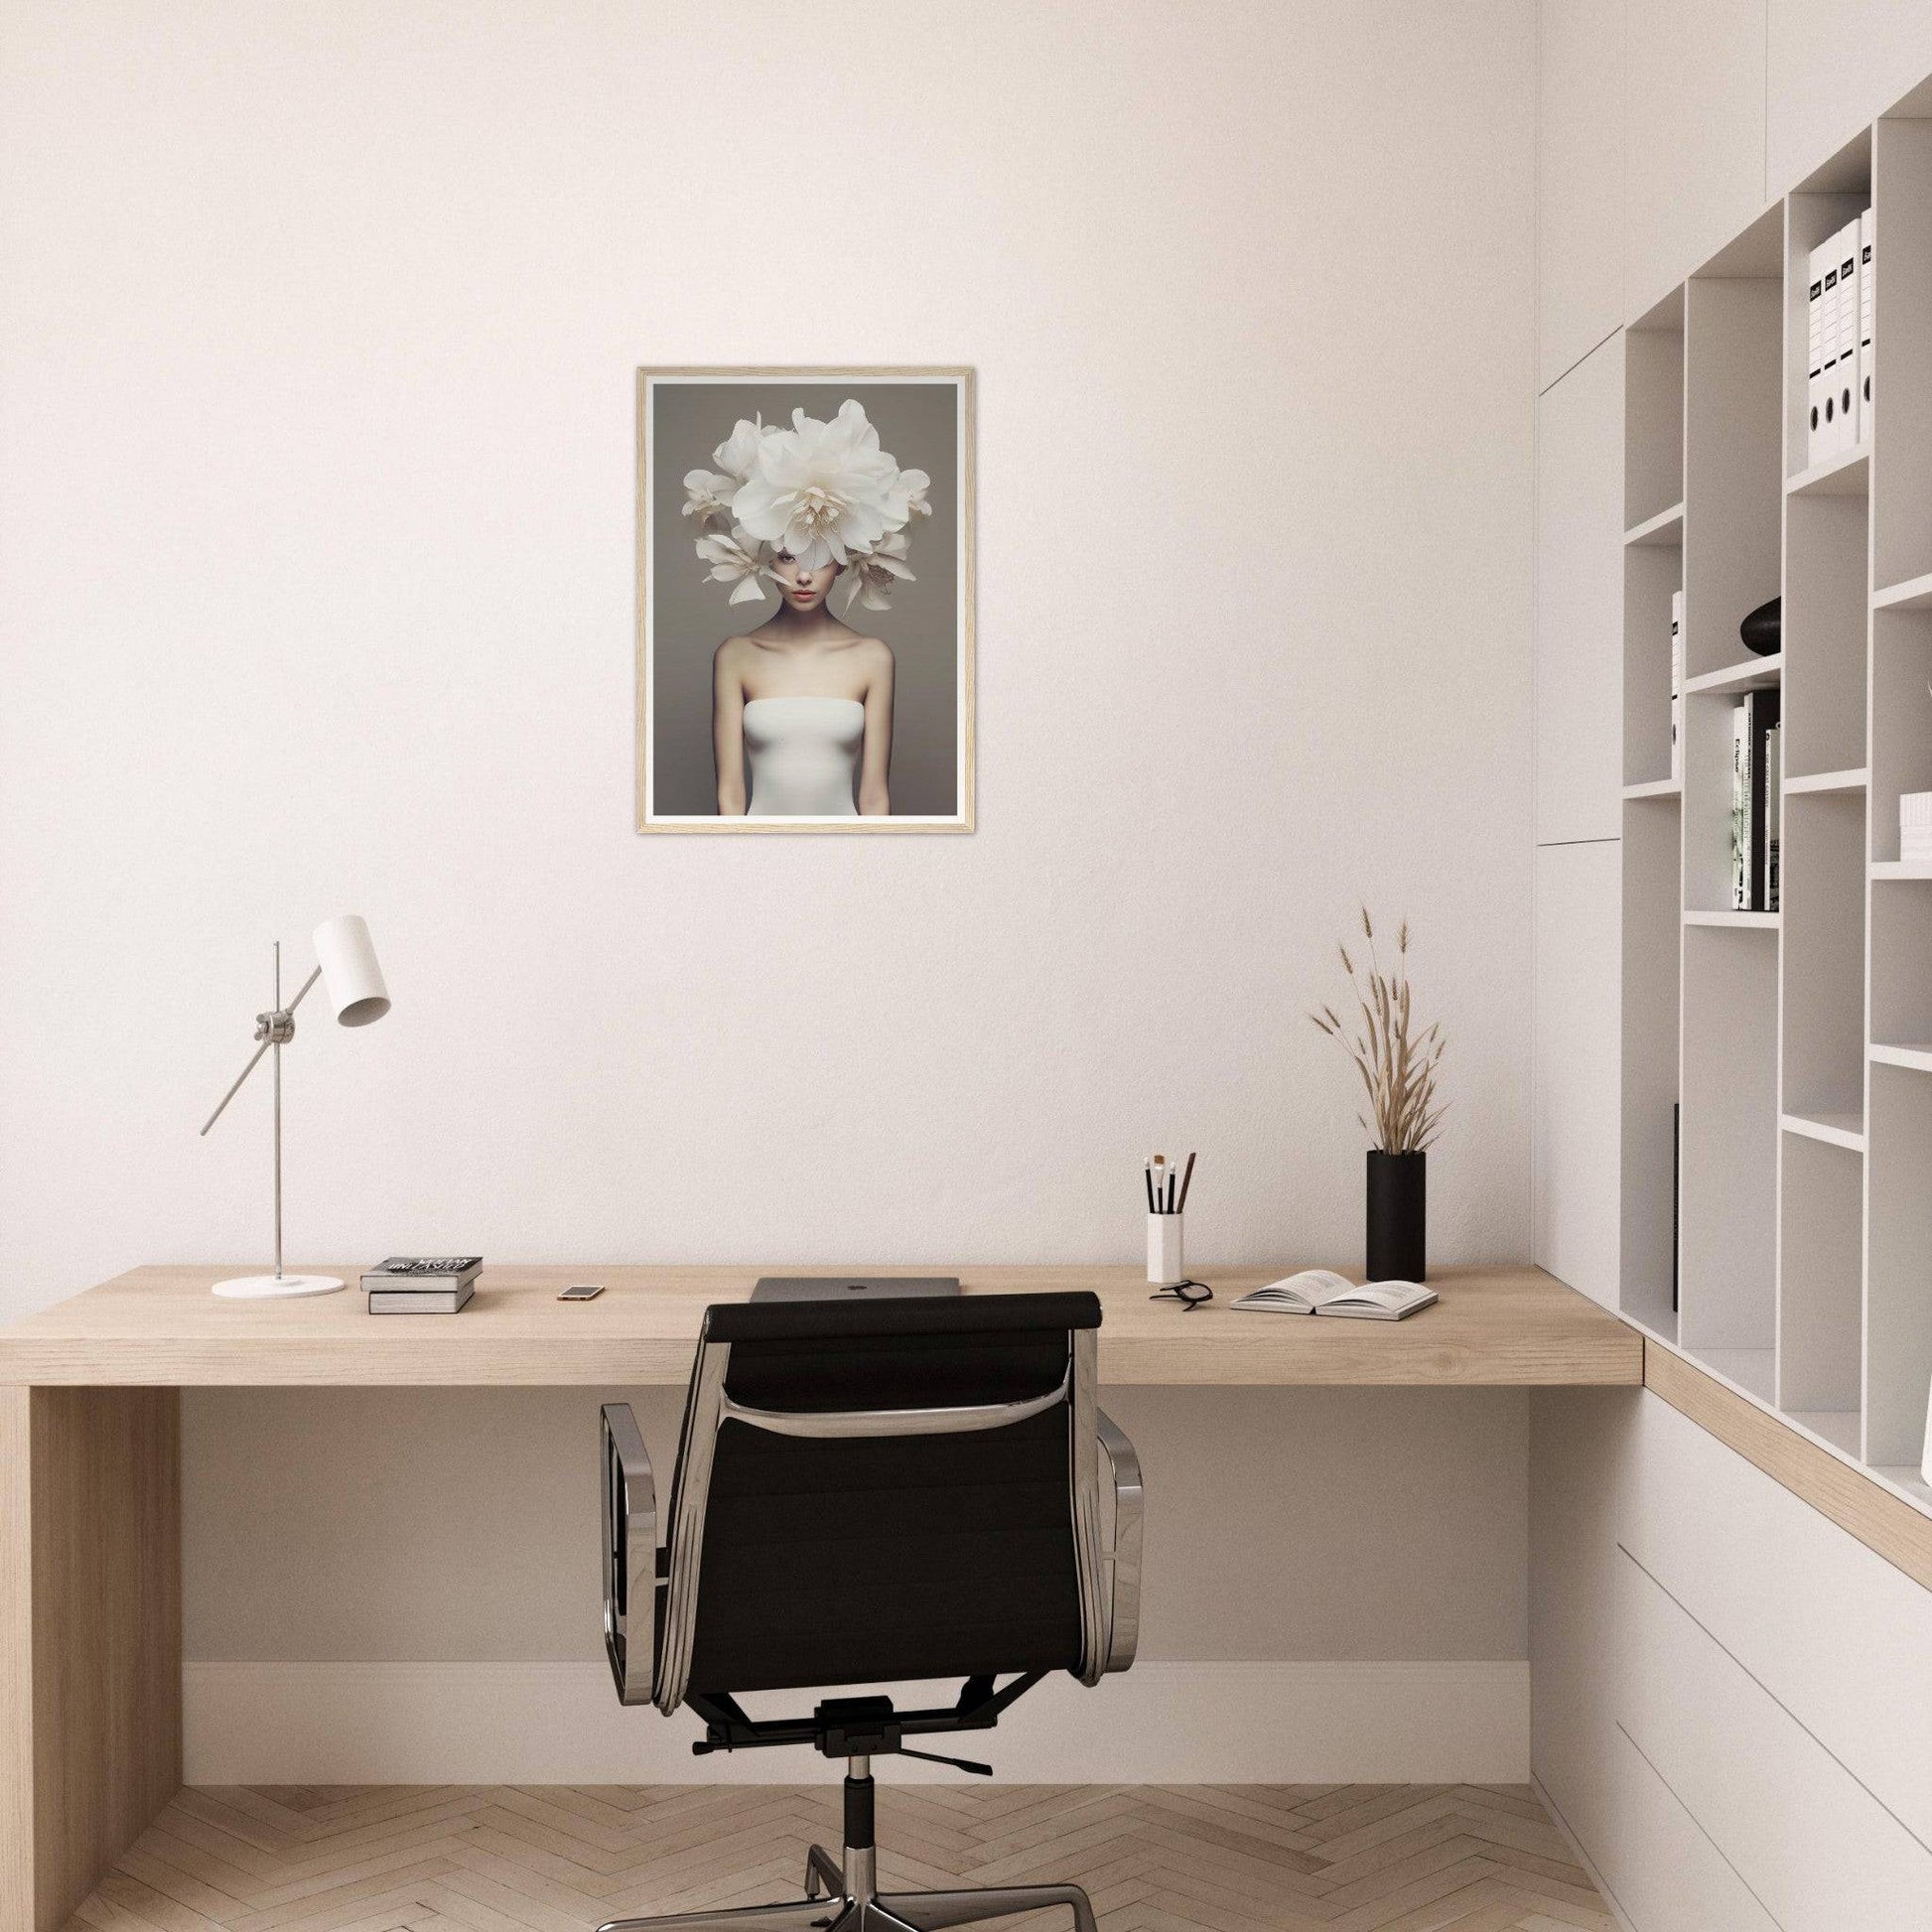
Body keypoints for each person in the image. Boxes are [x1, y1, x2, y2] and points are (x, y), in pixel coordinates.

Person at [680, 399, 927, 818]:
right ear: (764, 557)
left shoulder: (873, 658)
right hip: (757, 859)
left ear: (845, 559)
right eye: (788, 556)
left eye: (820, 558)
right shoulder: (736, 656)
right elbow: (730, 798)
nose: (804, 577)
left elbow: (874, 799)